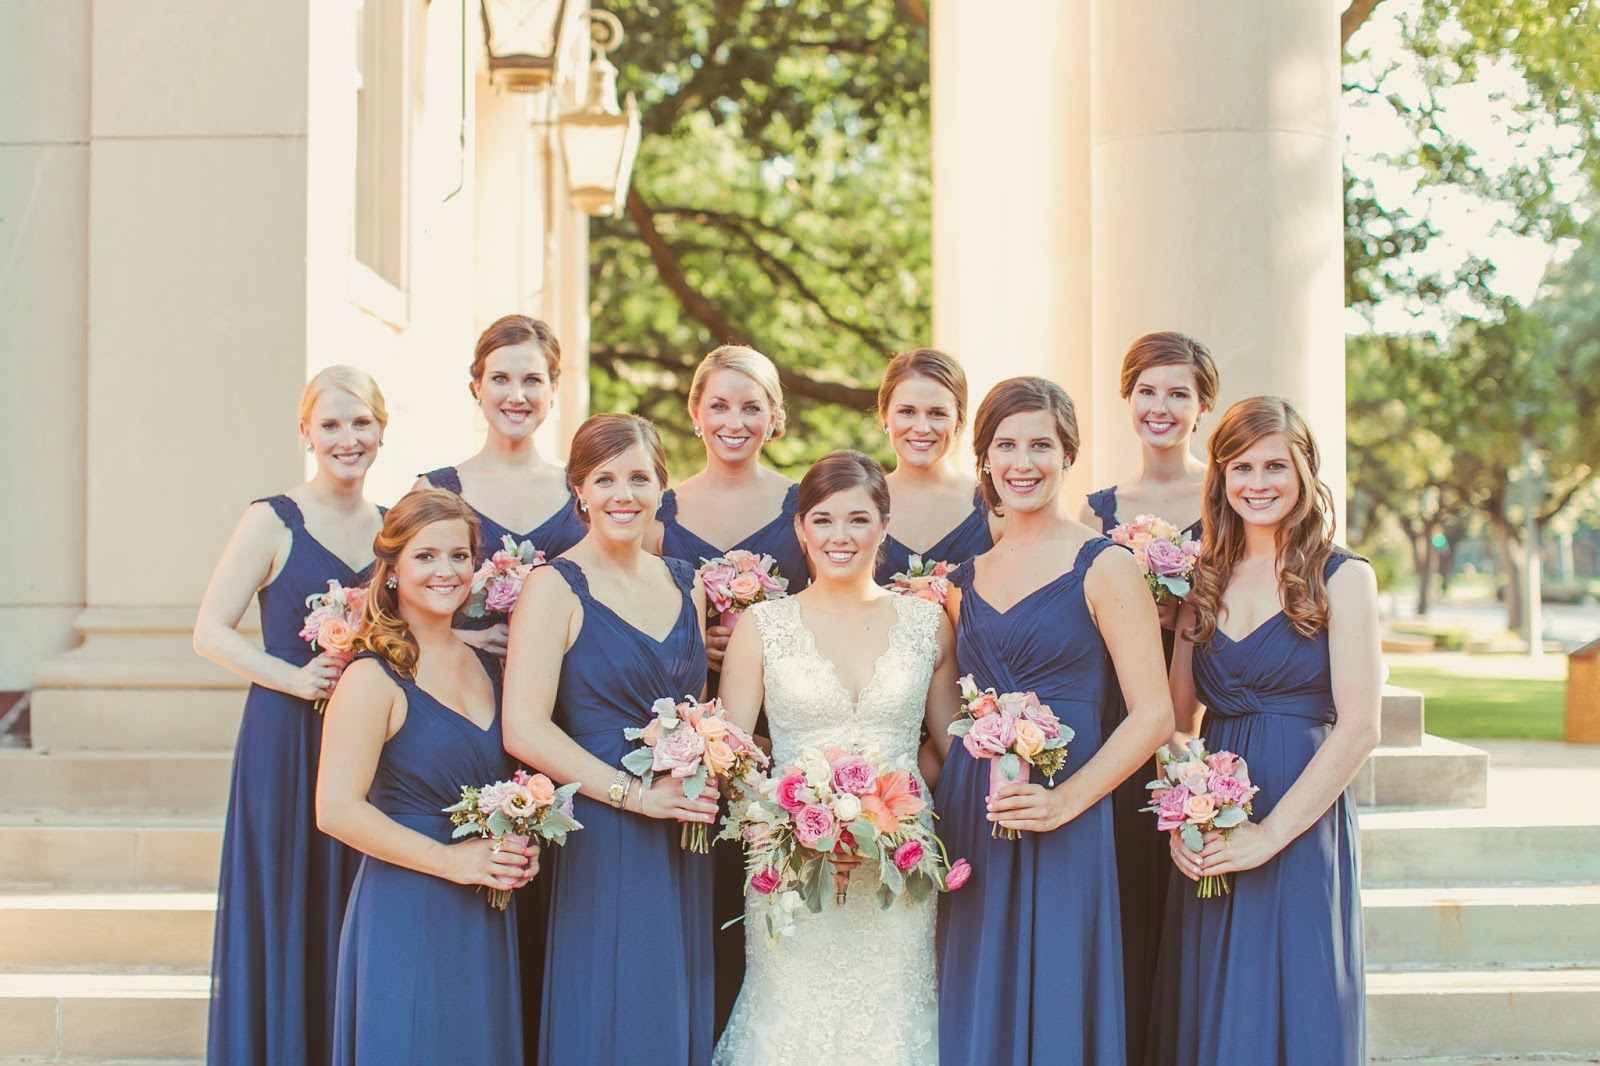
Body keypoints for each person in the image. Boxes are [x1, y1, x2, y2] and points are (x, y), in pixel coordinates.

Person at [935, 377, 1172, 1066]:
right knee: (975, 988)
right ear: (983, 460)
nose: (1023, 462)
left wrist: (1065, 800)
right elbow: (946, 711)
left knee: (1061, 984)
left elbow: (1154, 713)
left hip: (1073, 808)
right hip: (976, 812)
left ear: (1068, 454)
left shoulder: (1105, 566)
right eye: (1005, 445)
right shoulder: (961, 582)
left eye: (1041, 444)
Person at [1148, 396, 1380, 1066]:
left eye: (1275, 465)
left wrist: (1270, 834)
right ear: (1218, 478)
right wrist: (1184, 823)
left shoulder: (1345, 578)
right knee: (1218, 1007)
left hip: (1301, 825)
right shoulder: (1203, 580)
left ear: (1306, 471)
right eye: (1240, 466)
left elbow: (1361, 727)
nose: (1258, 482)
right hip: (1214, 830)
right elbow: (1174, 720)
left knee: (1298, 997)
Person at [712, 451, 961, 1064]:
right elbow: (731, 756)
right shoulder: (762, 626)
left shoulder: (928, 624)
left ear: (884, 525)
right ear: (800, 529)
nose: (840, 537)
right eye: (822, 520)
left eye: (858, 519)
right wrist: (800, 832)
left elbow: (946, 747)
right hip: (790, 875)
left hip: (898, 874)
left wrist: (887, 816)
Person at [503, 414, 719, 1065]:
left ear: (661, 488)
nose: (623, 494)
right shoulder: (553, 586)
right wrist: (632, 795)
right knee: (613, 999)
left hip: (683, 827)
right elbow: (523, 727)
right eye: (605, 479)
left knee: (671, 997)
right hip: (604, 828)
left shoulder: (687, 583)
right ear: (580, 490)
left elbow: (699, 710)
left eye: (639, 478)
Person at [193, 366, 388, 1066]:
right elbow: (210, 632)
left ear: (382, 432)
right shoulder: (272, 520)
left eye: (361, 423)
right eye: (331, 424)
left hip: (372, 748)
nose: (347, 438)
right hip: (285, 739)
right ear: (305, 432)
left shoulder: (396, 529)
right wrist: (297, 679)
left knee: (353, 909)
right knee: (287, 901)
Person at [317, 489, 535, 1065]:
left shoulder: (491, 664)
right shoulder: (371, 677)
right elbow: (335, 808)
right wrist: (449, 862)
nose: (447, 571)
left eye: (460, 556)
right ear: (391, 572)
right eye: (426, 556)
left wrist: (520, 841)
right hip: (408, 905)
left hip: (484, 908)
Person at [646, 344, 806, 1030]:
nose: (734, 420)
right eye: (719, 405)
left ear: (775, 418)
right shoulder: (655, 509)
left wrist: (759, 641)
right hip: (680, 744)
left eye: (752, 406)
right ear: (695, 412)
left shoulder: (808, 505)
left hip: (784, 735)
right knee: (696, 914)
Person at [1078, 330, 1218, 1063]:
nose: (1160, 406)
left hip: (1200, 726)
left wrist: (1190, 612)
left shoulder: (1228, 498)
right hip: (1119, 723)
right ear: (1127, 398)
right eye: (1147, 391)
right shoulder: (1095, 510)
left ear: (1202, 406)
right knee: (1130, 896)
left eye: (1178, 393)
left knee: (1191, 908)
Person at [417, 315, 586, 658]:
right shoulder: (434, 491)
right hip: (462, 690)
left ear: (553, 389)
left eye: (532, 380)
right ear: (478, 386)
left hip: (568, 694)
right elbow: (399, 603)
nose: (517, 395)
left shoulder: (584, 490)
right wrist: (464, 639)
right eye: (500, 379)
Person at [874, 347, 1001, 585]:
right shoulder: (857, 503)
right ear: (885, 416)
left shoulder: (995, 507)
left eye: (937, 413)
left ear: (959, 421)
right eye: (907, 411)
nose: (922, 427)